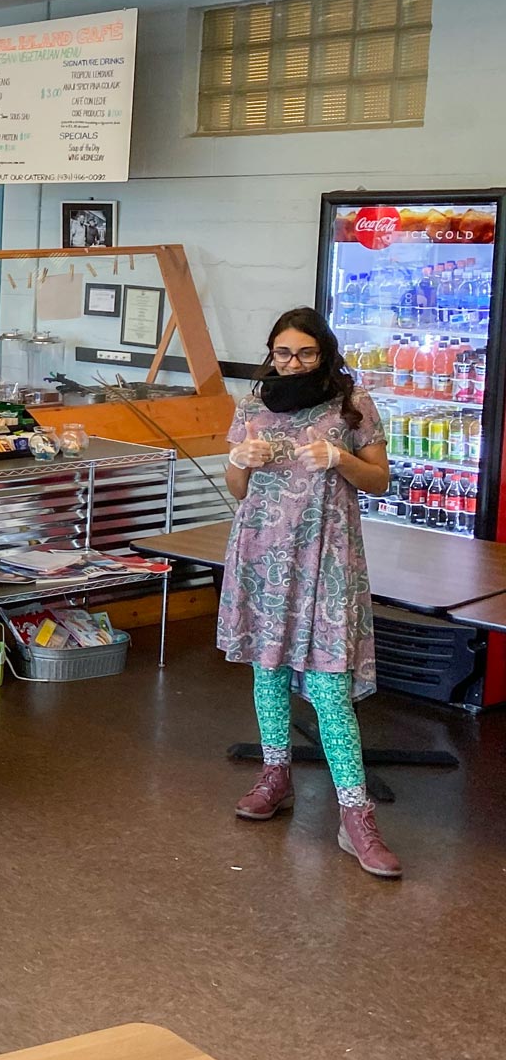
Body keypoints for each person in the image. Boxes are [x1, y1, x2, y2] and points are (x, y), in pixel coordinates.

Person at [220, 306, 398, 878]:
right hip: (262, 554)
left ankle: (356, 815)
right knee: (266, 670)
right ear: (270, 353)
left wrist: (340, 458)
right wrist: (237, 462)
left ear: (325, 353)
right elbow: (238, 487)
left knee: (328, 686)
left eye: (305, 353)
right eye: (283, 353)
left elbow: (379, 478)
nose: (293, 363)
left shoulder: (351, 404)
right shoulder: (253, 403)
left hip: (326, 556)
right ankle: (276, 774)